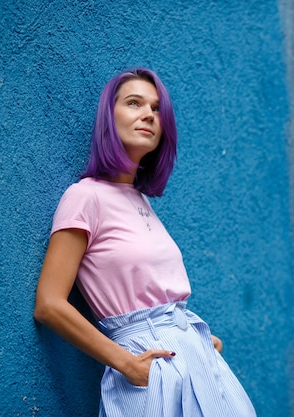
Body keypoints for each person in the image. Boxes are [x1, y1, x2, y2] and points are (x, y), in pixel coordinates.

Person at [34, 68, 257, 417]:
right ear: (110, 117)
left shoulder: (141, 201)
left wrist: (195, 342)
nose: (148, 115)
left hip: (195, 360)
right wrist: (127, 364)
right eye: (134, 103)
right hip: (148, 370)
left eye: (156, 109)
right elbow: (49, 304)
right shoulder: (85, 197)